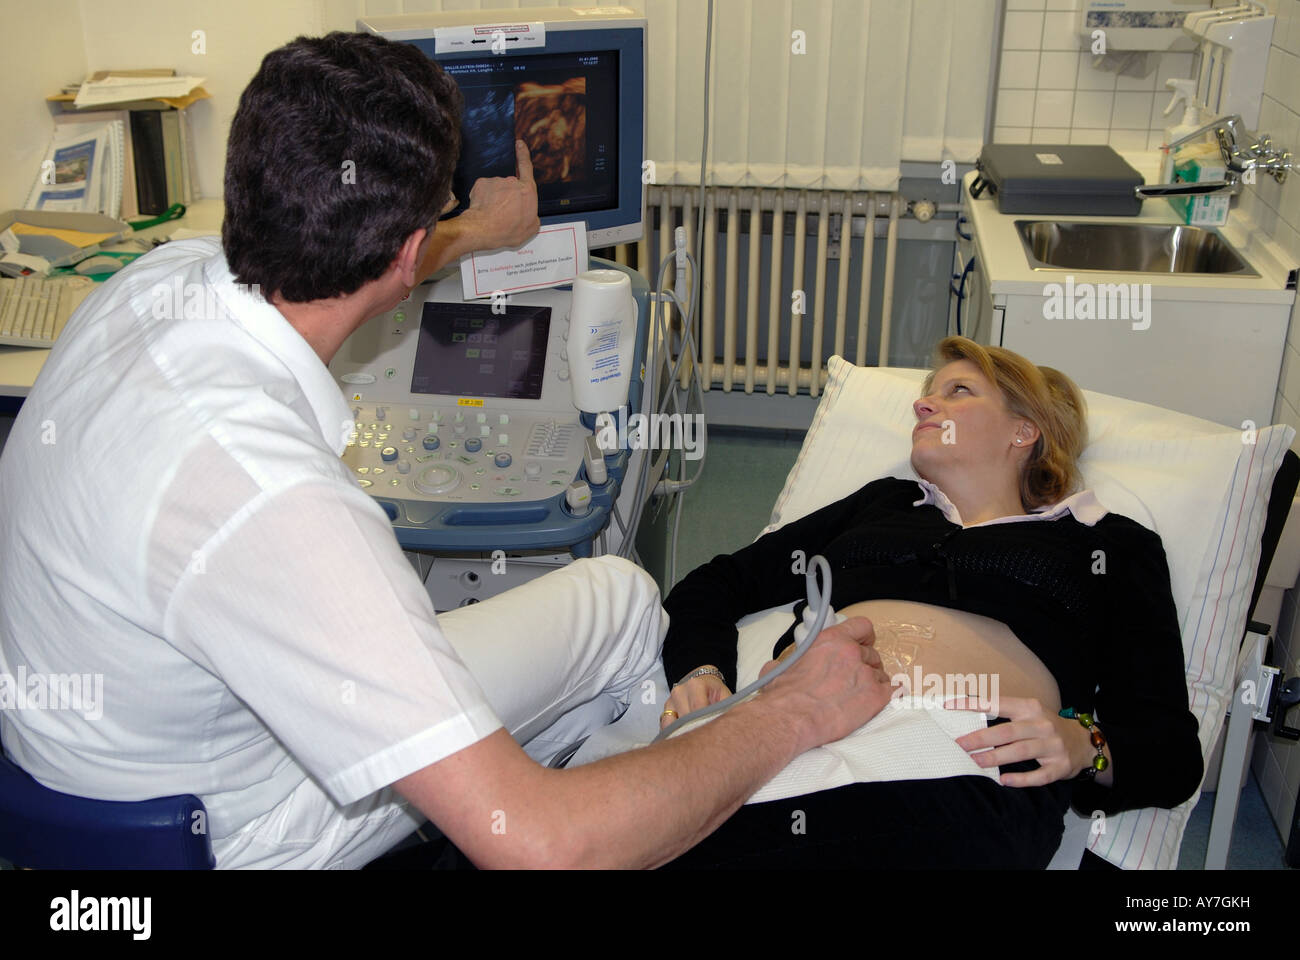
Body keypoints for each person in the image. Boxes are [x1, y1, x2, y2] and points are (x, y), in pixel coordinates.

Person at [0, 31, 896, 869]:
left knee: (609, 603)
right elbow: (535, 845)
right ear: (407, 247)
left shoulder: (155, 280)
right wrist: (790, 714)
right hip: (223, 827)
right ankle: (606, 815)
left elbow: (363, 248)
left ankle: (535, 779)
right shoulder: (279, 503)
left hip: (81, 754)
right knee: (622, 610)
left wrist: (481, 231)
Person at [657, 336, 1204, 869]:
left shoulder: (1105, 544)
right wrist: (702, 668)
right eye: (927, 393)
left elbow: (1172, 753)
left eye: (959, 391)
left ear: (1024, 430)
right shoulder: (882, 506)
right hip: (799, 721)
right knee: (649, 822)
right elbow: (718, 582)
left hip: (966, 759)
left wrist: (1087, 744)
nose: (923, 403)